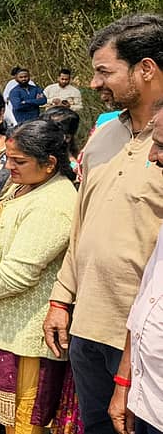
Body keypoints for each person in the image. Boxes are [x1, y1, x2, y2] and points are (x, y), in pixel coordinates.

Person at [43, 13, 163, 434]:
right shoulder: (104, 136)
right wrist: (62, 298)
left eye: (104, 72)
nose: (93, 83)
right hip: (88, 325)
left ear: (145, 69)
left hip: (149, 340)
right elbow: (82, 225)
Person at [0, 120, 78, 434]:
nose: (8, 166)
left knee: (26, 417)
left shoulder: (54, 202)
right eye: (8, 158)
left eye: (19, 161)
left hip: (29, 331)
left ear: (50, 163)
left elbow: (17, 274)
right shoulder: (26, 183)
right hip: (6, 321)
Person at [109, 101, 163, 434]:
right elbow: (147, 301)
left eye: (162, 145)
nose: (153, 156)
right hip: (148, 400)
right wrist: (124, 381)